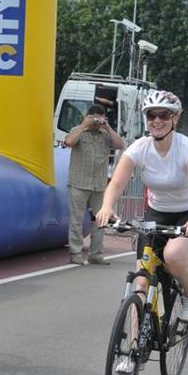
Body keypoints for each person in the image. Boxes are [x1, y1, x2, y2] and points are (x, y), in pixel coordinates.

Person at [95, 90, 188, 326]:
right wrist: (107, 207)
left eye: (164, 115)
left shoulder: (187, 148)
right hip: (158, 211)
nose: (157, 121)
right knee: (141, 282)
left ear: (175, 118)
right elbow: (116, 183)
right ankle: (133, 346)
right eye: (151, 116)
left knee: (173, 255)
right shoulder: (139, 148)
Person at [63, 103, 125, 265]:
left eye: (100, 118)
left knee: (101, 220)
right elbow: (69, 141)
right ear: (88, 117)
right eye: (94, 118)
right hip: (78, 182)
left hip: (99, 184)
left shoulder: (105, 134)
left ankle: (96, 254)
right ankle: (75, 253)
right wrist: (84, 125)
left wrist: (108, 126)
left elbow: (120, 145)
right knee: (76, 220)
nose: (97, 122)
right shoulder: (78, 130)